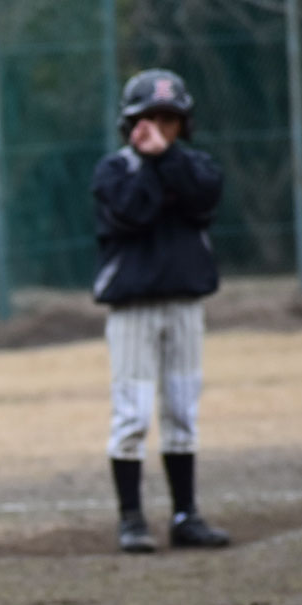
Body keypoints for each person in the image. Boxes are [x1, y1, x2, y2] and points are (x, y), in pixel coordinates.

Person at [92, 68, 232, 554]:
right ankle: (132, 519)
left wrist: (166, 160)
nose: (159, 127)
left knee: (182, 410)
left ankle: (185, 514)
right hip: (133, 311)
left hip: (185, 305)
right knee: (131, 415)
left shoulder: (196, 167)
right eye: (149, 118)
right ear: (130, 123)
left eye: (169, 119)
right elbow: (134, 213)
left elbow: (202, 200)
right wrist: (152, 164)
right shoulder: (115, 172)